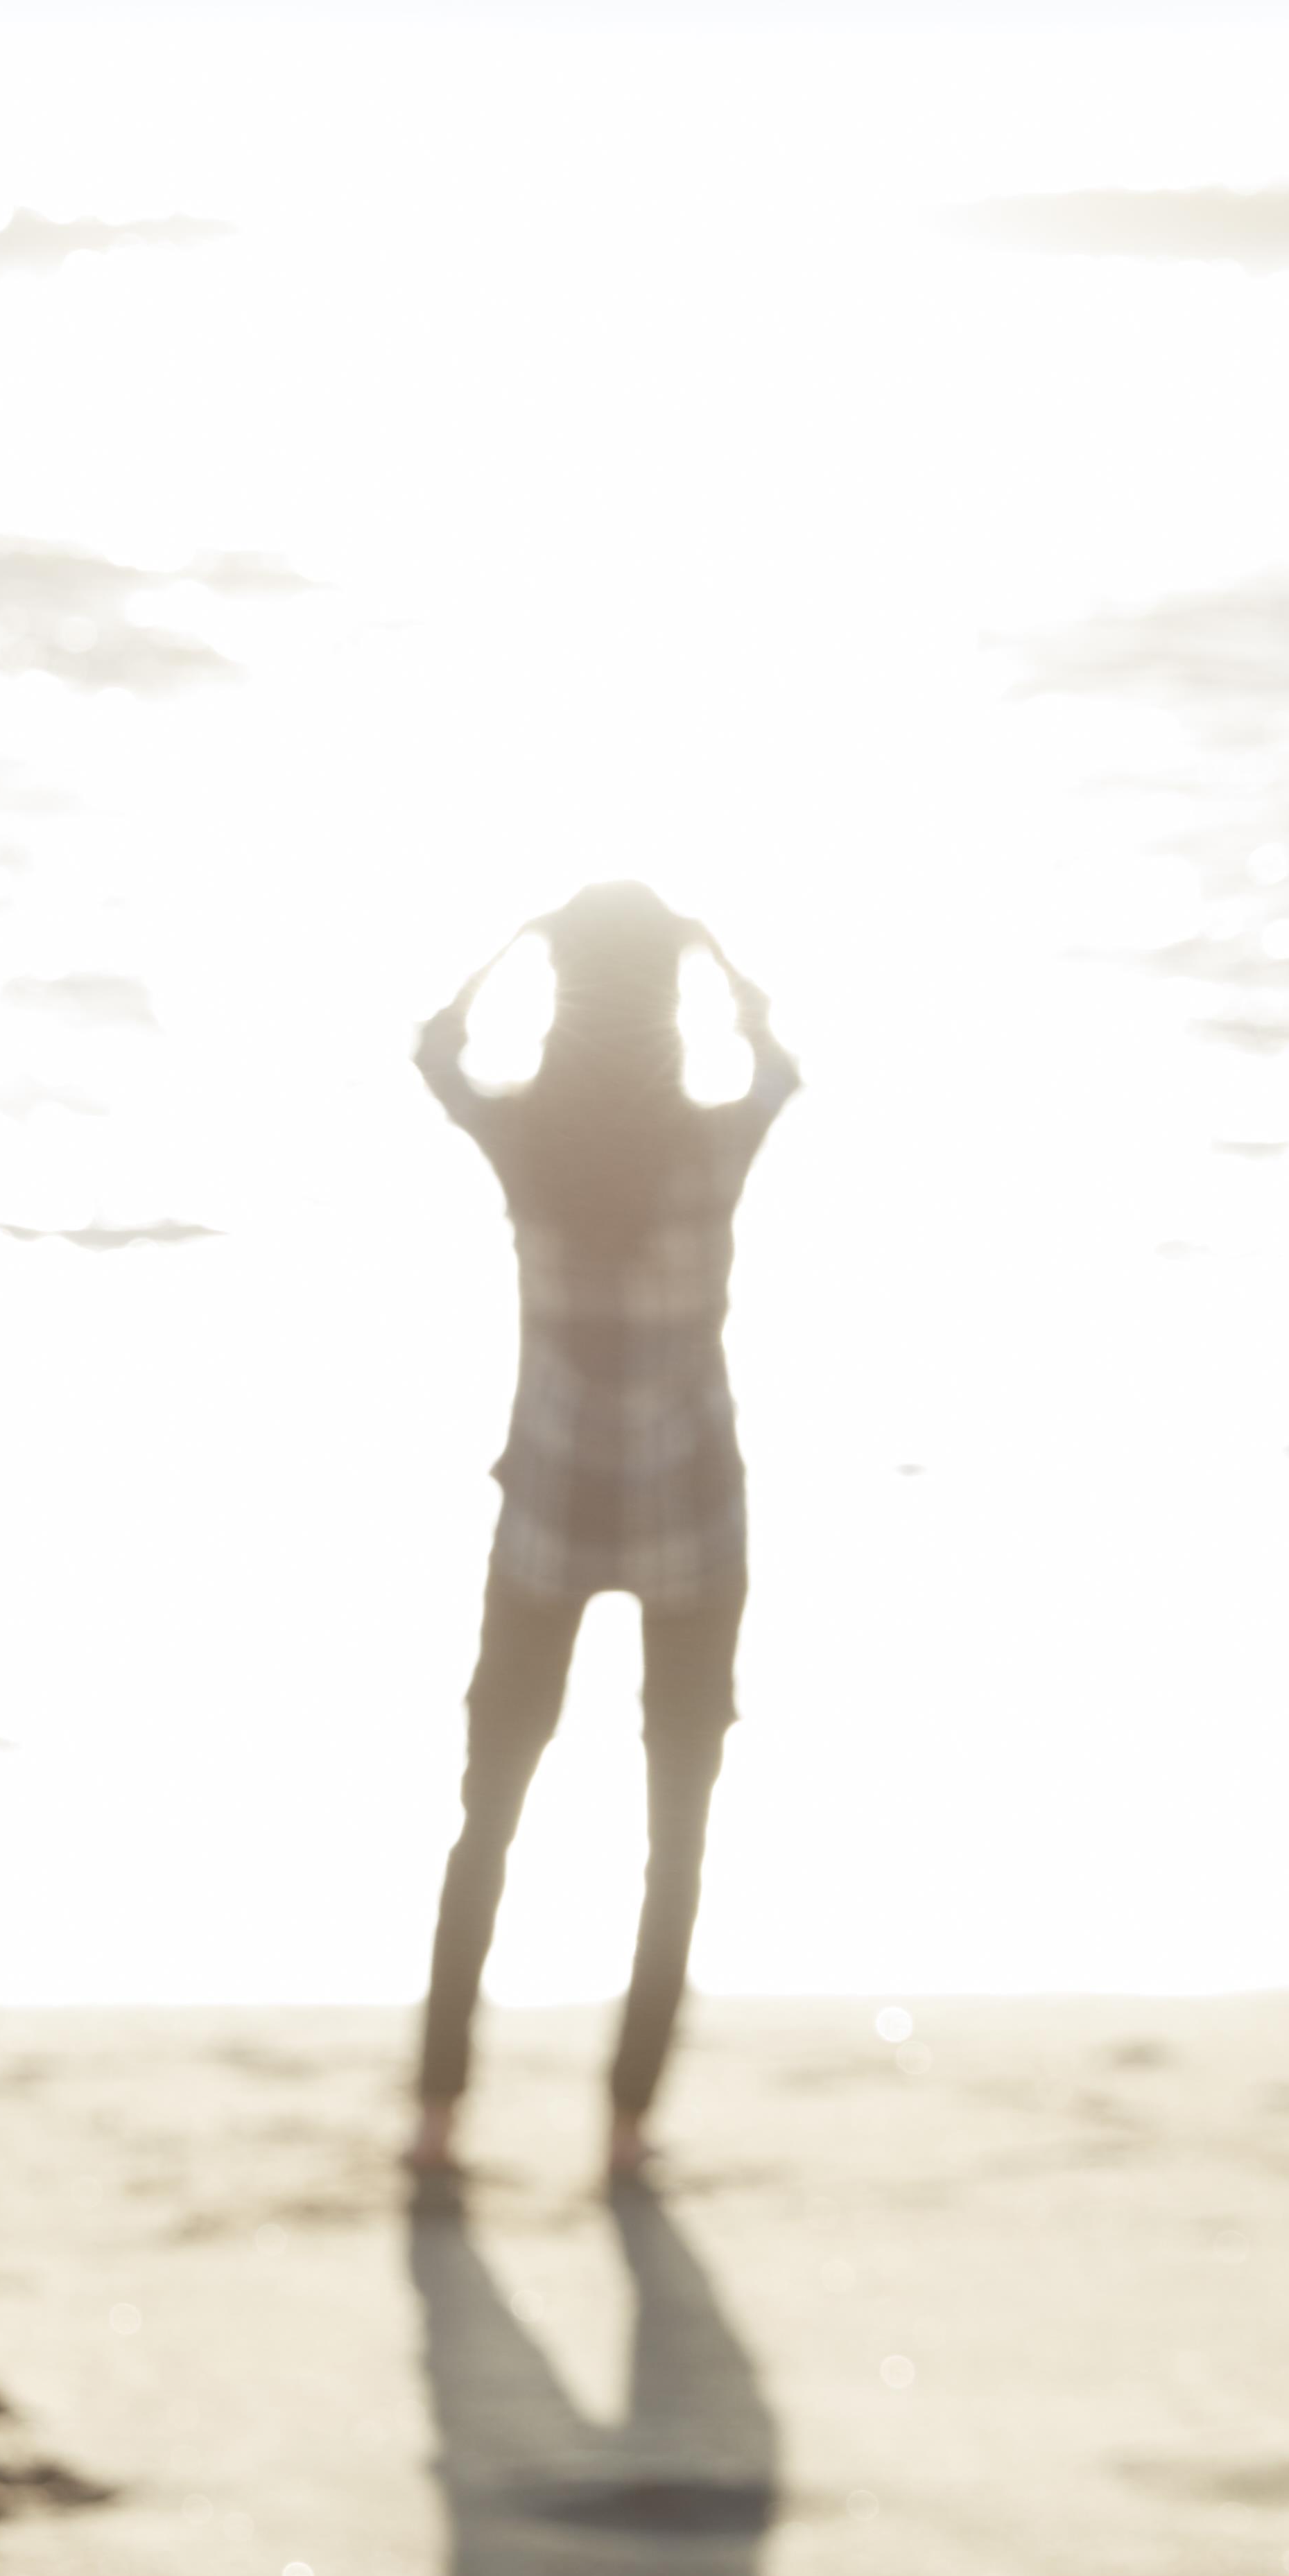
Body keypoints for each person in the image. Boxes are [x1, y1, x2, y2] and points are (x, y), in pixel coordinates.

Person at [405, 884, 797, 2189]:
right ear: (666, 1016)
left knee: (488, 1812)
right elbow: (782, 1063)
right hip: (694, 1516)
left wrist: (511, 943)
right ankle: (627, 2128)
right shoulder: (712, 1143)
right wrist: (719, 958)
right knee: (674, 1826)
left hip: (550, 1519)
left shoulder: (528, 1140)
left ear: (568, 1010)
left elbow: (430, 1049)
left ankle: (438, 2115)